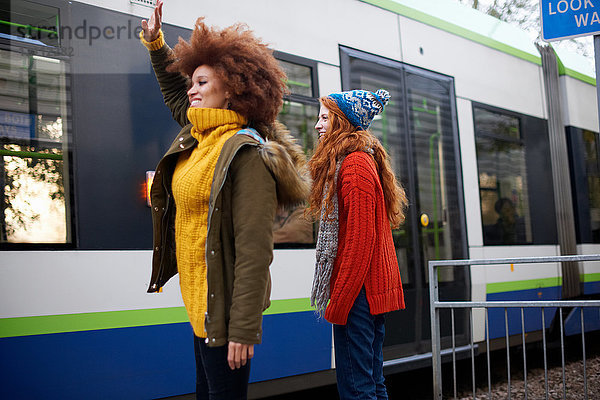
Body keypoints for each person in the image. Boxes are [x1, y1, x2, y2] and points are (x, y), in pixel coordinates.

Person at [140, 2, 309, 399]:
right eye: (191, 83)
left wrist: (244, 328)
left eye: (202, 82)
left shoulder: (246, 154)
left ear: (230, 88)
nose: (192, 90)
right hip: (199, 304)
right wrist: (156, 44)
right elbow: (173, 92)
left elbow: (254, 249)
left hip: (225, 314)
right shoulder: (200, 136)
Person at [307, 89, 408, 399]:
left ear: (342, 122)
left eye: (324, 118)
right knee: (371, 382)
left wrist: (338, 302)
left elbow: (358, 244)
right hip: (365, 293)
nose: (317, 125)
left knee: (358, 388)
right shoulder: (357, 161)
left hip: (359, 296)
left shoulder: (353, 167)